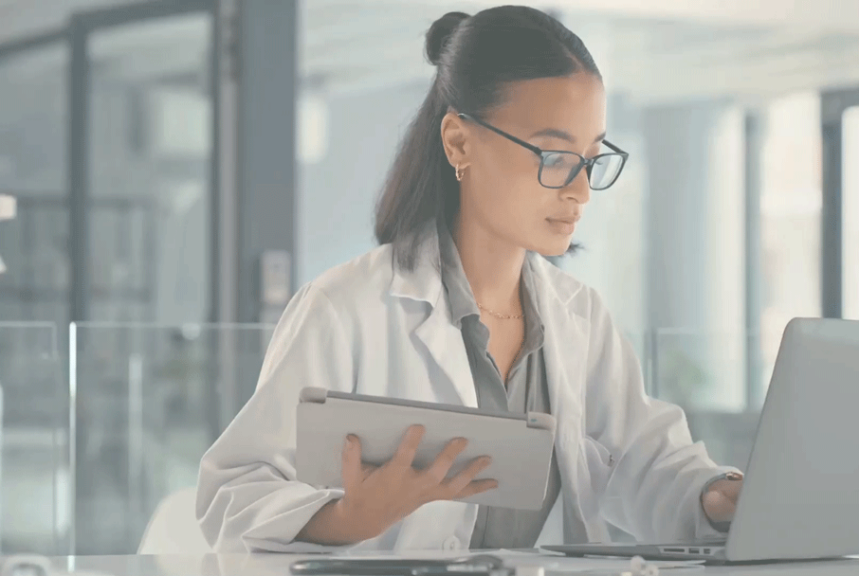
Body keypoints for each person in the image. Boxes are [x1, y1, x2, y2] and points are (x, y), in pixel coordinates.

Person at [196, 5, 743, 553]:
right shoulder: (345, 308)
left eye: (592, 159)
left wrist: (718, 495)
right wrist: (346, 517)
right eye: (554, 155)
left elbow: (647, 467)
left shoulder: (581, 318)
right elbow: (231, 495)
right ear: (459, 142)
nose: (579, 191)